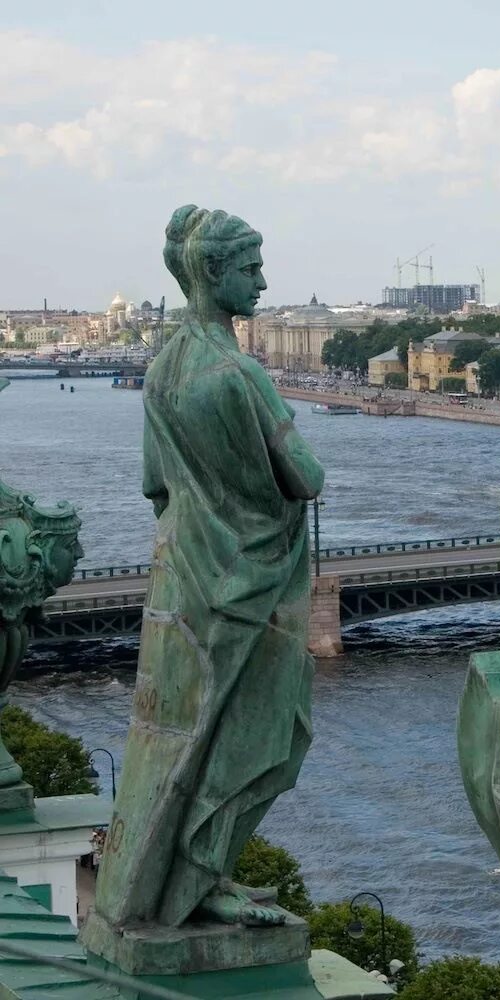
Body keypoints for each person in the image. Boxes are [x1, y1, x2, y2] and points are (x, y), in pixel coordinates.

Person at [88, 206, 323, 932]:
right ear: (213, 272)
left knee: (183, 732)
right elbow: (306, 478)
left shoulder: (163, 367)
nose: (262, 280)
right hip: (248, 588)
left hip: (183, 572)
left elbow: (156, 483)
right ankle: (197, 878)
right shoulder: (236, 372)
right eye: (251, 267)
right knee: (254, 733)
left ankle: (166, 886)